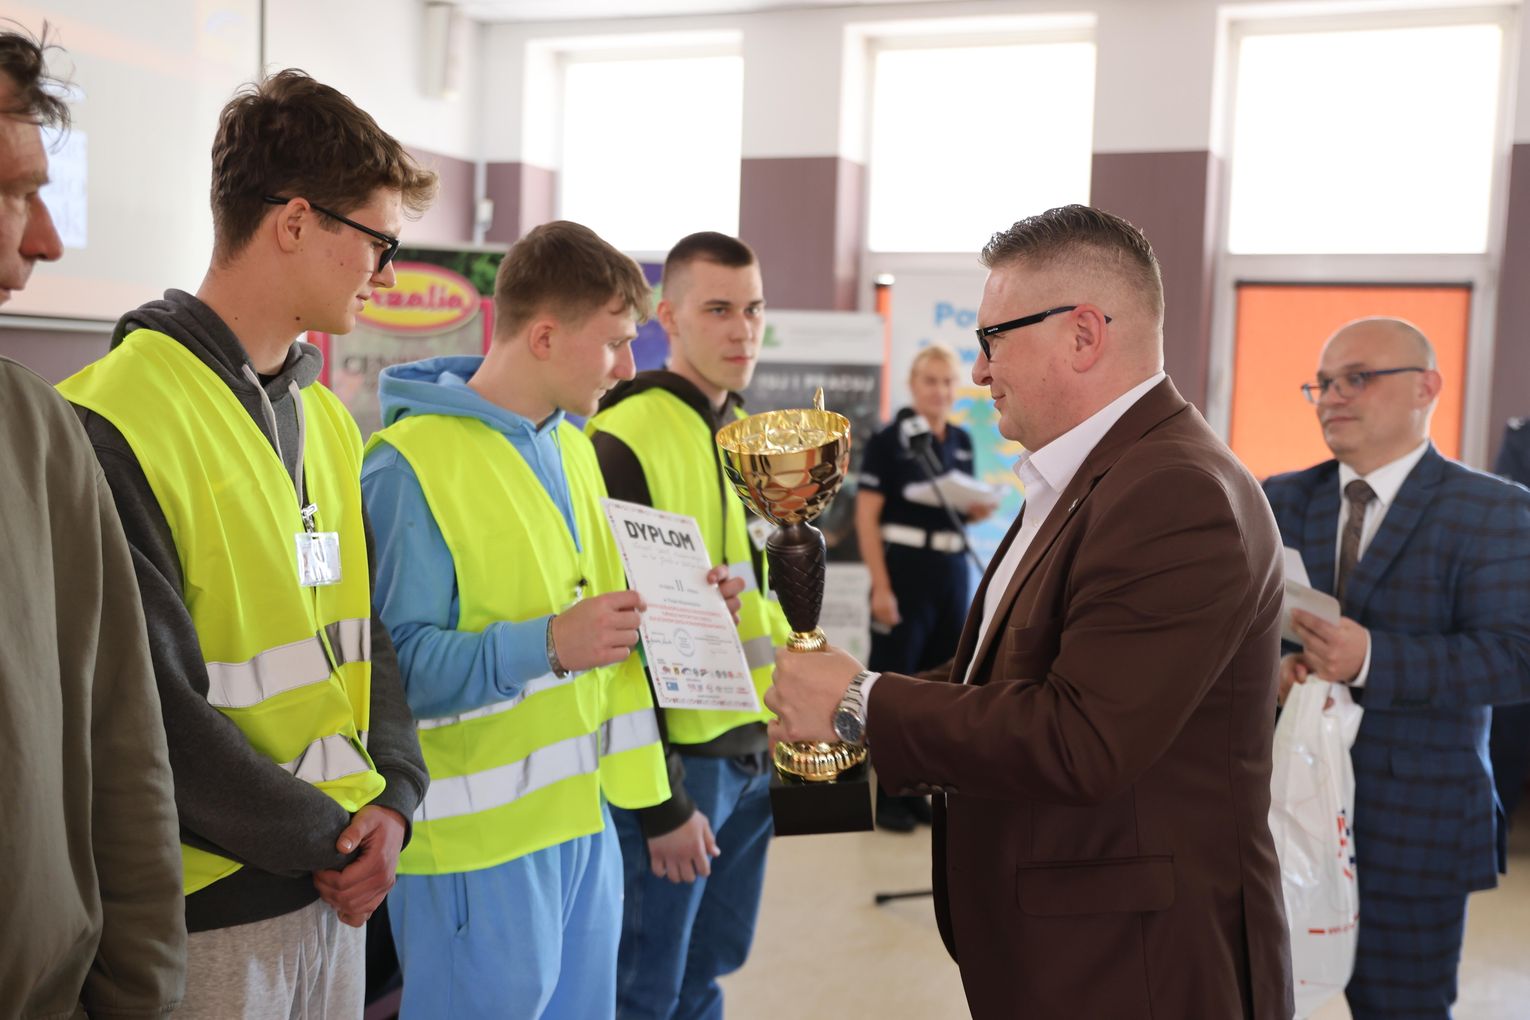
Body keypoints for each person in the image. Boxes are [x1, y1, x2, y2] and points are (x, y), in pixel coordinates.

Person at [766, 204, 1294, 1019]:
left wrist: (861, 700)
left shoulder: (1174, 492)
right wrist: (848, 711)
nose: (979, 371)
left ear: (1083, 335)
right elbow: (1003, 673)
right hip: (1077, 950)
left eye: (993, 339)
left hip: (1135, 969)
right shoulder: (1095, 473)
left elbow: (1082, 740)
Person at [57, 70, 432, 1018]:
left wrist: (395, 797)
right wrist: (331, 836)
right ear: (296, 222)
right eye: (378, 242)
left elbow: (367, 638)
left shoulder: (329, 420)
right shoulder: (114, 418)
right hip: (208, 906)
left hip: (336, 883)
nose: (386, 273)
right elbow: (145, 710)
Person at [364, 220, 705, 1019]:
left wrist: (678, 608)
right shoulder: (408, 464)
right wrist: (549, 645)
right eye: (616, 343)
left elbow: (596, 622)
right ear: (545, 336)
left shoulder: (574, 447)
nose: (629, 368)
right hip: (472, 846)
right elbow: (390, 676)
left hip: (582, 826)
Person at [1263, 317, 1530, 1019]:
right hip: (1282, 807)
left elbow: (1515, 658)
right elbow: (1239, 627)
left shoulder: (1494, 510)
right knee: (1258, 997)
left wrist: (1373, 658)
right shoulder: (1278, 498)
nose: (1331, 397)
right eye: (1322, 383)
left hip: (1418, 823)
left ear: (1426, 387)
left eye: (1356, 378)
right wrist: (1275, 673)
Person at [0, 23, 186, 1017]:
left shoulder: (37, 433)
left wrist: (139, 995)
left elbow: (123, 741)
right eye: (11, 193)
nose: (46, 240)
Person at [586, 231, 787, 1018]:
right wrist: (660, 803)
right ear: (668, 317)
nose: (743, 330)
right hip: (679, 769)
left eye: (754, 309)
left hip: (755, 757)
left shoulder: (748, 437)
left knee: (708, 972)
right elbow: (613, 641)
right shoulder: (620, 435)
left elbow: (763, 597)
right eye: (719, 310)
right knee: (644, 989)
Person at [855, 343, 996, 831]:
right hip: (904, 569)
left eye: (946, 381)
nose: (939, 390)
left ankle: (920, 790)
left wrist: (977, 509)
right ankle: (889, 798)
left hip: (951, 570)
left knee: (942, 684)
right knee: (895, 680)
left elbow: (960, 508)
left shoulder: (960, 440)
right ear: (912, 386)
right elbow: (866, 518)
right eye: (929, 381)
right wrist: (881, 587)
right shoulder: (889, 440)